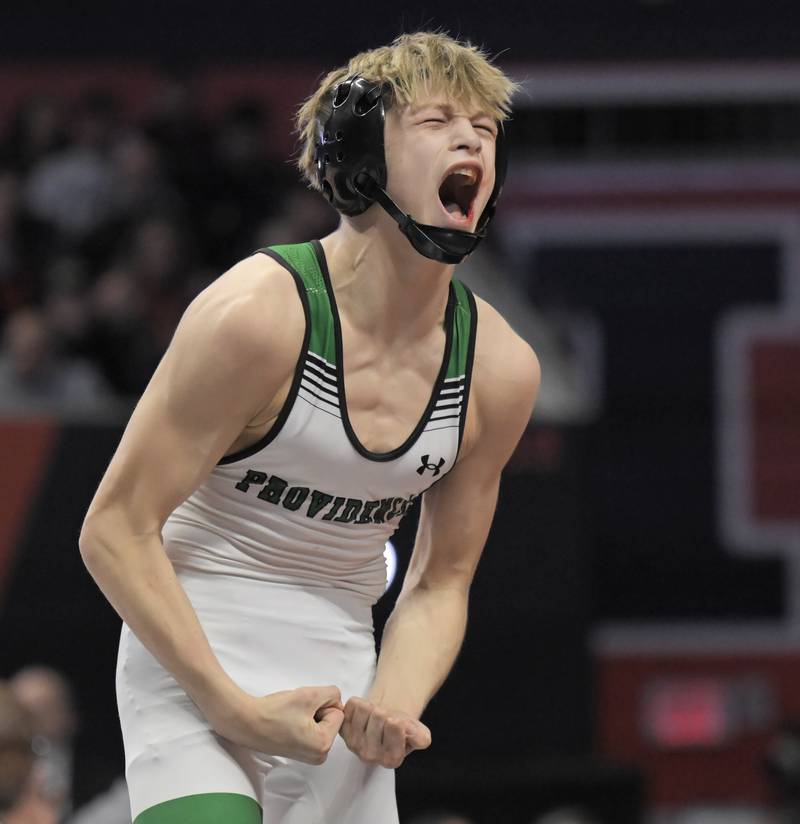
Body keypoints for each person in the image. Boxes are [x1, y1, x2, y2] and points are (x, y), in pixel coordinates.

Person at [79, 31, 540, 824]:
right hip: (197, 644)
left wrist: (393, 701)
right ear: (362, 158)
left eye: (485, 128)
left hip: (339, 659)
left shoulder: (500, 370)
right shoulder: (256, 316)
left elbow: (440, 581)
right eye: (435, 121)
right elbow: (114, 528)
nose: (470, 138)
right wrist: (227, 704)